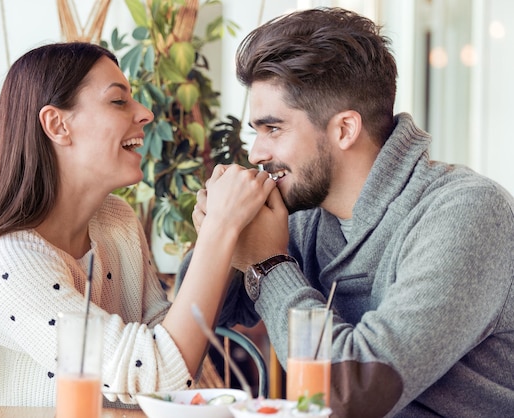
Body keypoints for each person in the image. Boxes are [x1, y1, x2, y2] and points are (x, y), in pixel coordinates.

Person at [0, 42, 276, 416]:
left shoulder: (115, 220)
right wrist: (219, 229)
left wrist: (231, 235)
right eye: (118, 102)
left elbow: (173, 352)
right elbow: (162, 375)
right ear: (57, 125)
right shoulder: (9, 262)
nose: (146, 113)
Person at [187, 7, 514, 417]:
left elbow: (350, 396)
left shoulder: (466, 215)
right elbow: (190, 333)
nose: (256, 153)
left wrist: (269, 264)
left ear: (344, 129)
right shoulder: (305, 215)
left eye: (273, 129)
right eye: (257, 131)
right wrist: (218, 232)